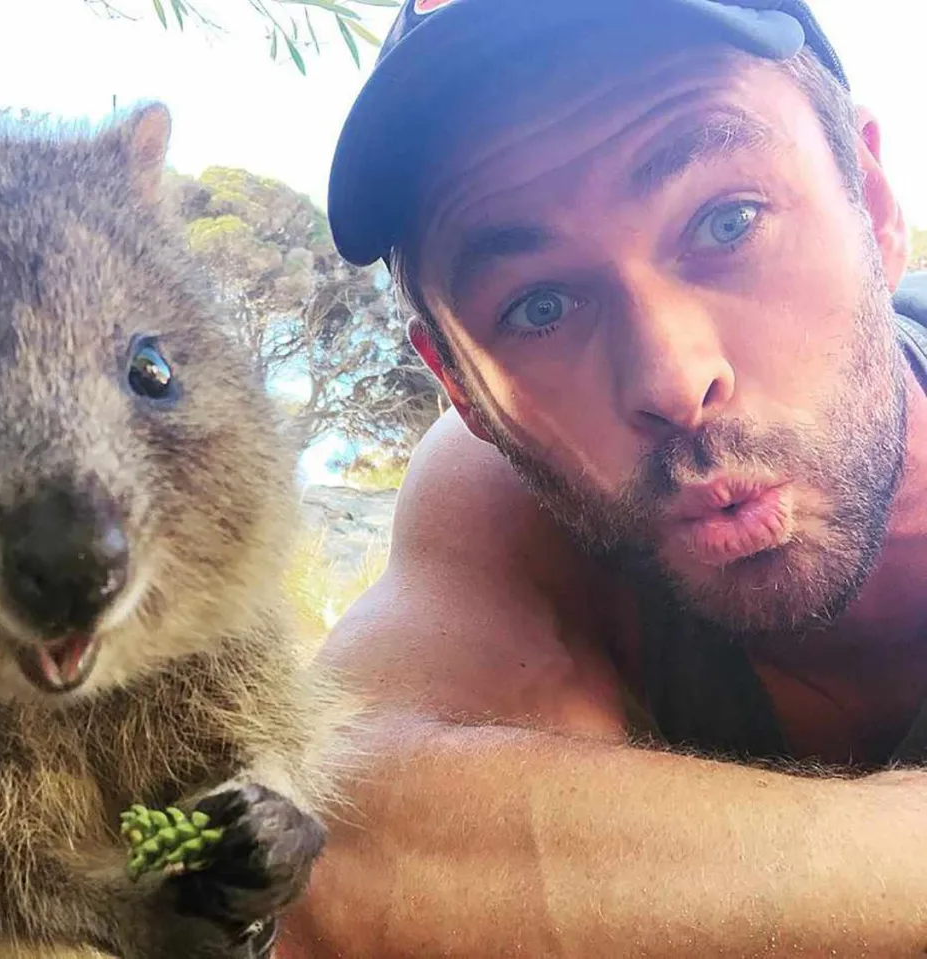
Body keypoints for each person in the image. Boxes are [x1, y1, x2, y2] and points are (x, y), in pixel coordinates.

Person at [276, 1, 927, 955]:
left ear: (874, 204)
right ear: (460, 386)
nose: (671, 380)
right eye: (541, 307)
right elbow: (325, 835)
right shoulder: (504, 487)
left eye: (729, 220)